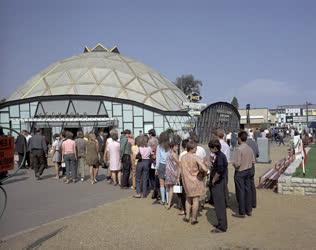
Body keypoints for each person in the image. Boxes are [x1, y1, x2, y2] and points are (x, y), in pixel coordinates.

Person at [180, 140, 208, 225]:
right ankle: (194, 218)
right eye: (195, 147)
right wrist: (203, 170)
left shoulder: (183, 157)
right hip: (195, 180)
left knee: (188, 199)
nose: (196, 149)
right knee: (195, 200)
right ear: (192, 148)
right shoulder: (196, 157)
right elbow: (205, 169)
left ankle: (187, 216)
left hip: (186, 180)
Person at [232, 131, 256, 218]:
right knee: (248, 190)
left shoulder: (239, 149)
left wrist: (234, 164)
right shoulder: (250, 148)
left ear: (239, 138)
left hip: (240, 171)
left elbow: (237, 163)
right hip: (249, 170)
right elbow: (253, 161)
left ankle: (242, 211)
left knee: (241, 191)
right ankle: (249, 210)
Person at [208, 139, 228, 233]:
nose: (210, 150)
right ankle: (221, 224)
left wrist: (213, 180)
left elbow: (219, 171)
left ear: (215, 148)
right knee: (218, 204)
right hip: (220, 182)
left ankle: (222, 227)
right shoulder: (219, 155)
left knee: (219, 205)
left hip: (218, 183)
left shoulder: (220, 157)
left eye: (211, 148)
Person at [165, 140, 180, 209]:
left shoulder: (168, 152)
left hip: (168, 172)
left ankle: (169, 203)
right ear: (172, 146)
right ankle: (178, 203)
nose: (177, 147)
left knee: (170, 188)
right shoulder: (174, 154)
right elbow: (179, 164)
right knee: (175, 188)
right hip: (173, 172)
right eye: (176, 146)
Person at [217, 129, 230, 207]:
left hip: (218, 166)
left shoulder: (218, 145)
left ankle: (219, 201)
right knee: (225, 184)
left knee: (218, 185)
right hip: (225, 167)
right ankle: (226, 201)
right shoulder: (226, 145)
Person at [156, 132, 169, 205]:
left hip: (161, 165)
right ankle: (168, 200)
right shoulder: (170, 146)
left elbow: (158, 158)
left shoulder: (159, 146)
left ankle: (163, 200)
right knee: (167, 184)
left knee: (161, 184)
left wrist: (156, 168)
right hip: (168, 166)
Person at [246, 134, 259, 209]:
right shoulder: (254, 143)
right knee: (252, 183)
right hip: (252, 165)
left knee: (246, 185)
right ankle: (254, 202)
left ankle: (247, 203)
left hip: (244, 166)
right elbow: (257, 154)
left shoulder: (244, 143)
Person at [148, 129, 159, 198]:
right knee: (155, 174)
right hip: (157, 156)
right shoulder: (157, 140)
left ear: (151, 134)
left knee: (151, 174)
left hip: (152, 157)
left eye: (149, 134)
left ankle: (154, 188)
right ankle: (156, 188)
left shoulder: (150, 140)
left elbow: (150, 149)